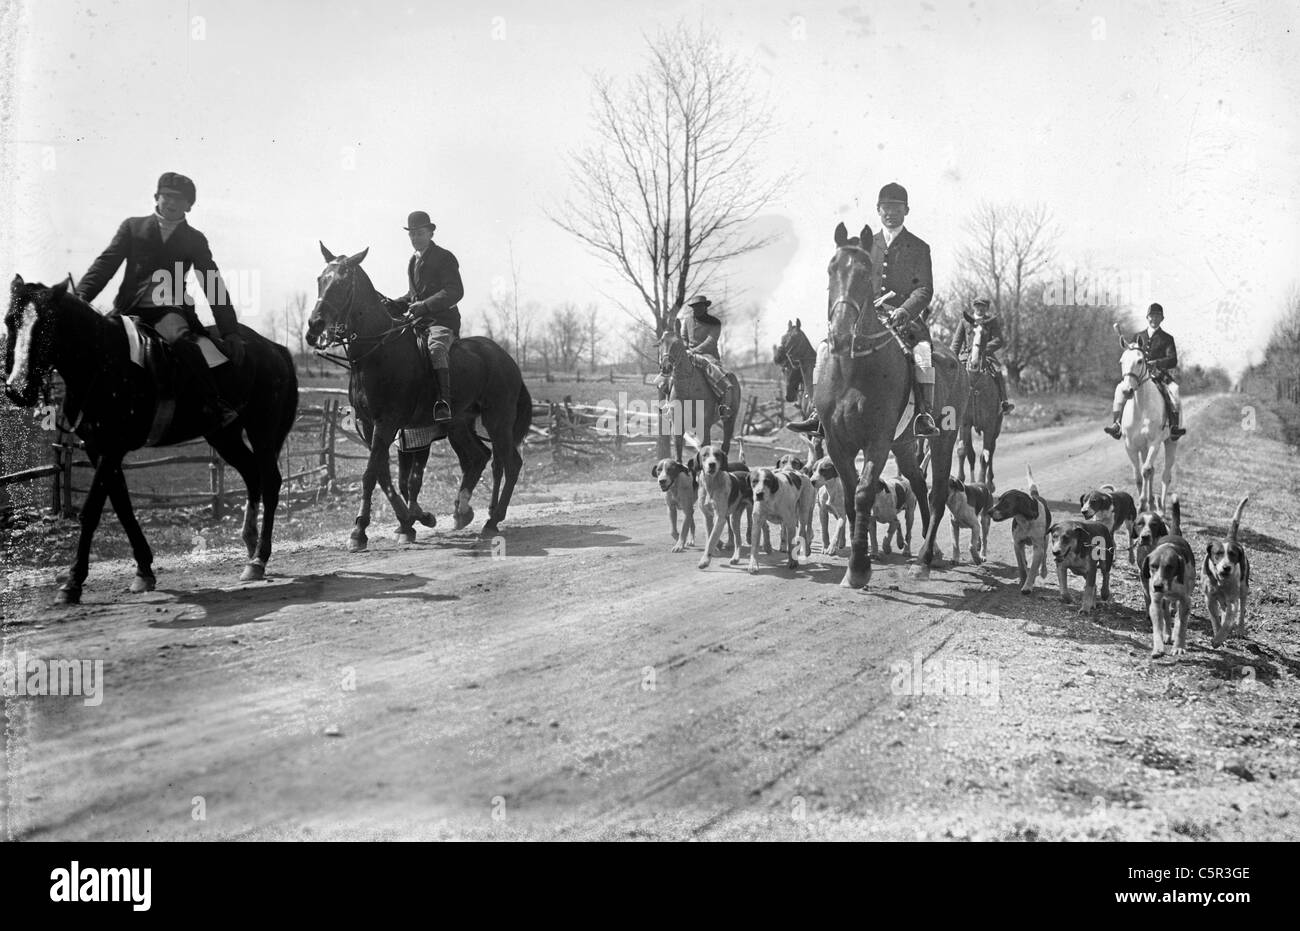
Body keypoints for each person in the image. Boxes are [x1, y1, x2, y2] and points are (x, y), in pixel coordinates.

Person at [75, 171, 243, 428]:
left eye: (179, 198)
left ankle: (214, 404)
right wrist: (80, 299)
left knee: (183, 342)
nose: (171, 203)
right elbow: (104, 266)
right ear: (156, 197)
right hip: (129, 308)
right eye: (167, 196)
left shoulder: (195, 239)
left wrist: (230, 330)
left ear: (189, 205)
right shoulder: (133, 227)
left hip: (169, 310)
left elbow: (212, 283)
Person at [790, 181, 939, 437]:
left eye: (897, 208)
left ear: (907, 211)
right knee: (825, 349)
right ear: (878, 210)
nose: (891, 212)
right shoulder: (865, 244)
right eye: (886, 208)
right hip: (864, 316)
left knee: (923, 354)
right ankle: (817, 413)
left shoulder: (919, 247)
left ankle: (923, 415)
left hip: (902, 320)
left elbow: (924, 289)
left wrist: (904, 311)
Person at [391, 210, 463, 422]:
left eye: (420, 233)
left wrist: (424, 306)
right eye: (412, 234)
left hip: (442, 321)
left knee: (436, 349)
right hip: (419, 322)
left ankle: (444, 402)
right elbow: (413, 296)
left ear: (431, 233)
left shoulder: (444, 257)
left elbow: (455, 291)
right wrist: (395, 304)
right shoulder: (413, 261)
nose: (415, 238)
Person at [1104, 302, 1185, 439]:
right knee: (1120, 389)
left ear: (1162, 319)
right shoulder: (1138, 336)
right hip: (1138, 375)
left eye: (1158, 316)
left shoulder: (1167, 338)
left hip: (1159, 375)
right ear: (1147, 318)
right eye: (1151, 316)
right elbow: (1131, 353)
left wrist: (1157, 363)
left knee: (1175, 390)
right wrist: (1126, 346)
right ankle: (1117, 424)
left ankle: (1173, 427)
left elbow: (1173, 360)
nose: (1154, 319)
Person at [950, 297, 1015, 414]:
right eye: (978, 305)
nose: (980, 308)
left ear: (987, 308)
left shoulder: (991, 321)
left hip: (986, 354)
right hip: (966, 355)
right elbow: (956, 343)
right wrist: (952, 358)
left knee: (998, 370)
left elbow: (998, 340)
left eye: (983, 306)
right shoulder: (964, 322)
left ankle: (1003, 402)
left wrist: (984, 349)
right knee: (954, 373)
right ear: (973, 307)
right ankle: (950, 402)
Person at [678, 294, 732, 418]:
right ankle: (668, 400)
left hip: (708, 354)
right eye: (695, 307)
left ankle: (723, 402)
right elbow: (683, 337)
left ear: (705, 307)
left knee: (714, 371)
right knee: (673, 370)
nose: (698, 309)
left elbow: (710, 341)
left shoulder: (714, 322)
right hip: (689, 353)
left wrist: (695, 351)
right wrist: (686, 348)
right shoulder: (687, 320)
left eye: (700, 307)